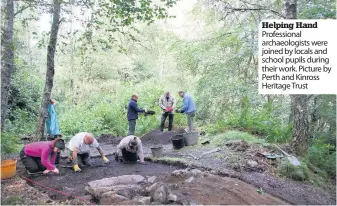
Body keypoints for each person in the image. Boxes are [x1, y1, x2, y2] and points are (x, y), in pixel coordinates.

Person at [46, 99, 62, 164]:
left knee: (54, 146)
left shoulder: (50, 108)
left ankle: (55, 161)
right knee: (52, 146)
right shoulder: (49, 108)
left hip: (53, 132)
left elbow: (53, 121)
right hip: (52, 132)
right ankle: (53, 161)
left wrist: (52, 132)